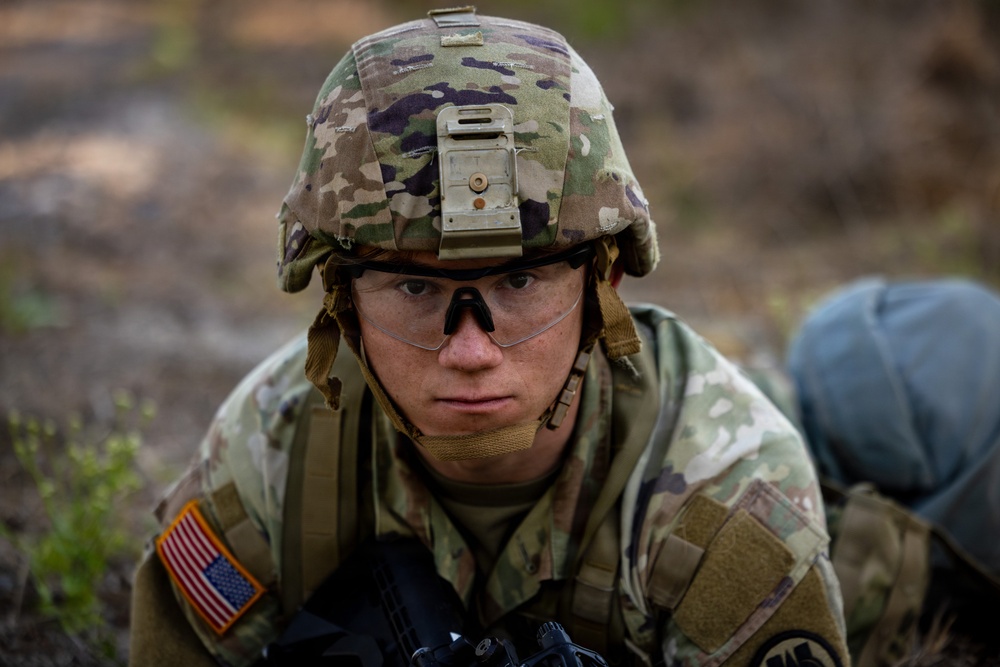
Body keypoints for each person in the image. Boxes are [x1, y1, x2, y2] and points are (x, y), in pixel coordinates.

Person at [128, 8, 849, 667]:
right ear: (342, 302)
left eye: (520, 285)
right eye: (415, 289)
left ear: (605, 288)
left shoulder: (726, 501)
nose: (470, 353)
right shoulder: (272, 455)